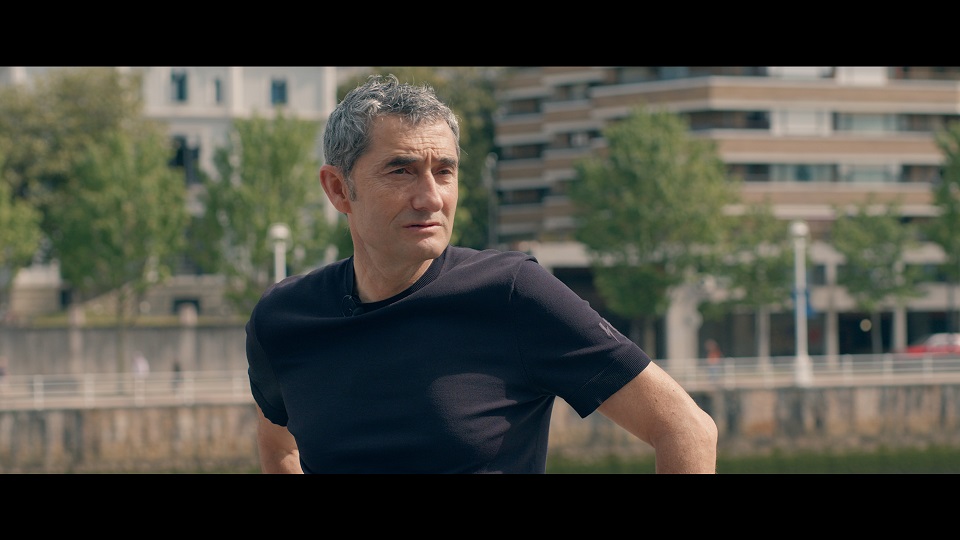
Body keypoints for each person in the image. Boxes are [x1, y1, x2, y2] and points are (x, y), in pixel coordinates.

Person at [245, 74, 718, 474]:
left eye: (444, 171)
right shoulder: (284, 319)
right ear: (338, 188)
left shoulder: (512, 293)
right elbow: (279, 446)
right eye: (401, 171)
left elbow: (685, 428)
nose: (431, 198)